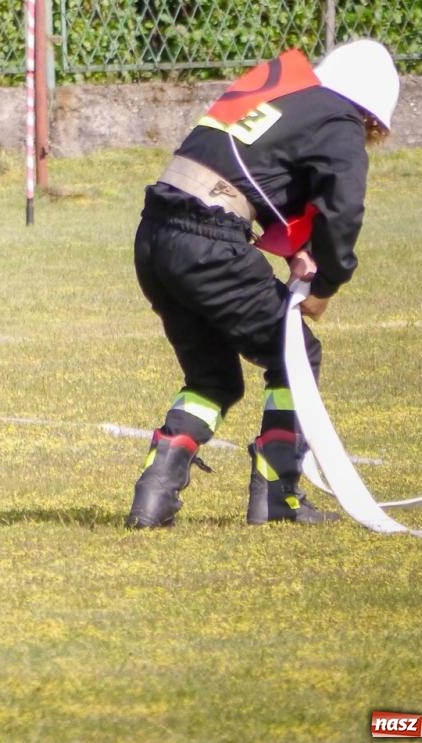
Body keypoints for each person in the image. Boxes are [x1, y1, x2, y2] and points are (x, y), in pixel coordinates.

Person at [125, 38, 400, 528]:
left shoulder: (279, 99)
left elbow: (250, 173)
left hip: (155, 236)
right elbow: (344, 209)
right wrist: (326, 286)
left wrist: (295, 245)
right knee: (296, 353)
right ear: (370, 111)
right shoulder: (338, 119)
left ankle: (154, 494)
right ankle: (277, 497)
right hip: (208, 241)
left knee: (213, 380)